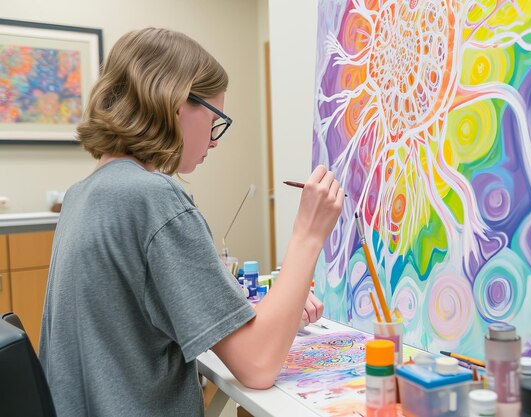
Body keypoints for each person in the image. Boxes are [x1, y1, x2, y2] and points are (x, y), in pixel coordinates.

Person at [39, 27, 344, 417]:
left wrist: (272, 313)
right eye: (216, 117)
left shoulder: (84, 194)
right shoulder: (151, 198)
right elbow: (257, 365)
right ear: (177, 103)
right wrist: (308, 232)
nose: (215, 140)